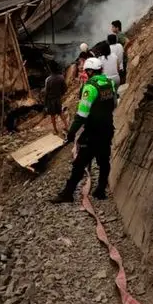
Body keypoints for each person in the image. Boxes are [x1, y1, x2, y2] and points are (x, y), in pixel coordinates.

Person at [51, 57, 117, 203]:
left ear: (90, 71)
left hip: (93, 132)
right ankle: (100, 190)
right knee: (104, 160)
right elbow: (114, 104)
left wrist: (71, 133)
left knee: (79, 164)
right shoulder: (109, 83)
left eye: (86, 71)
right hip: (107, 129)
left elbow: (81, 115)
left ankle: (68, 194)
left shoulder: (90, 87)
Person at [43, 61, 68, 135]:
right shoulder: (61, 77)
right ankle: (66, 126)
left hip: (51, 100)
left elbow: (46, 93)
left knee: (52, 115)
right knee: (60, 113)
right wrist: (61, 94)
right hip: (58, 98)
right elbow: (65, 89)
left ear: (50, 69)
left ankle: (55, 130)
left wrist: (45, 104)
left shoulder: (48, 79)